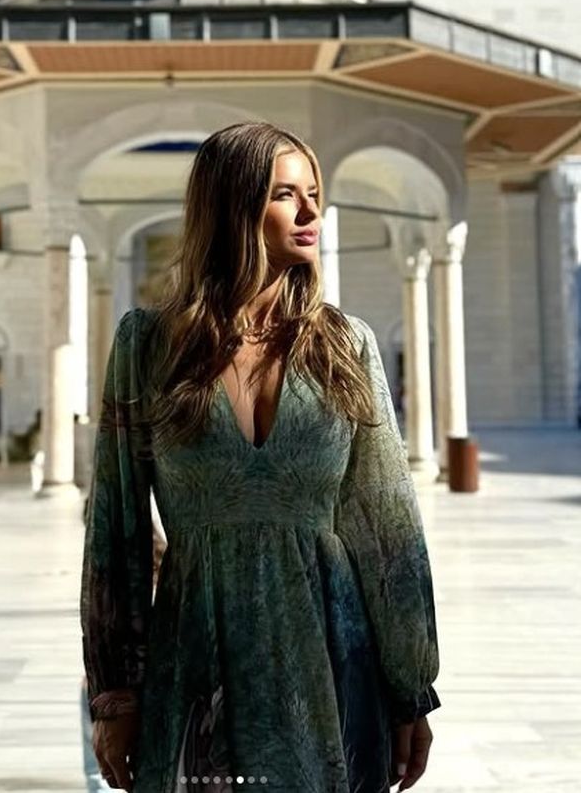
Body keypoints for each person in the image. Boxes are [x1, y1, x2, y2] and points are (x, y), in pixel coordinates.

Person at [80, 121, 441, 793]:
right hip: (197, 662)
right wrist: (114, 696)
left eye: (314, 193)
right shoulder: (148, 347)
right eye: (285, 194)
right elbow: (116, 533)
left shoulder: (347, 347)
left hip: (334, 667)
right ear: (231, 207)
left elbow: (388, 531)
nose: (311, 212)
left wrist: (411, 689)